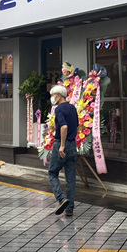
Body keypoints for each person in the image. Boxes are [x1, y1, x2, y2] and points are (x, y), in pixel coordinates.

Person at [48, 84, 78, 217]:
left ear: (59, 96)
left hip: (62, 143)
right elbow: (76, 126)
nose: (52, 98)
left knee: (52, 173)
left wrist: (62, 146)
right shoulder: (73, 108)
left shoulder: (59, 109)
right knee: (70, 177)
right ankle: (70, 208)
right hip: (73, 145)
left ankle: (61, 198)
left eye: (53, 96)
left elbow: (64, 127)